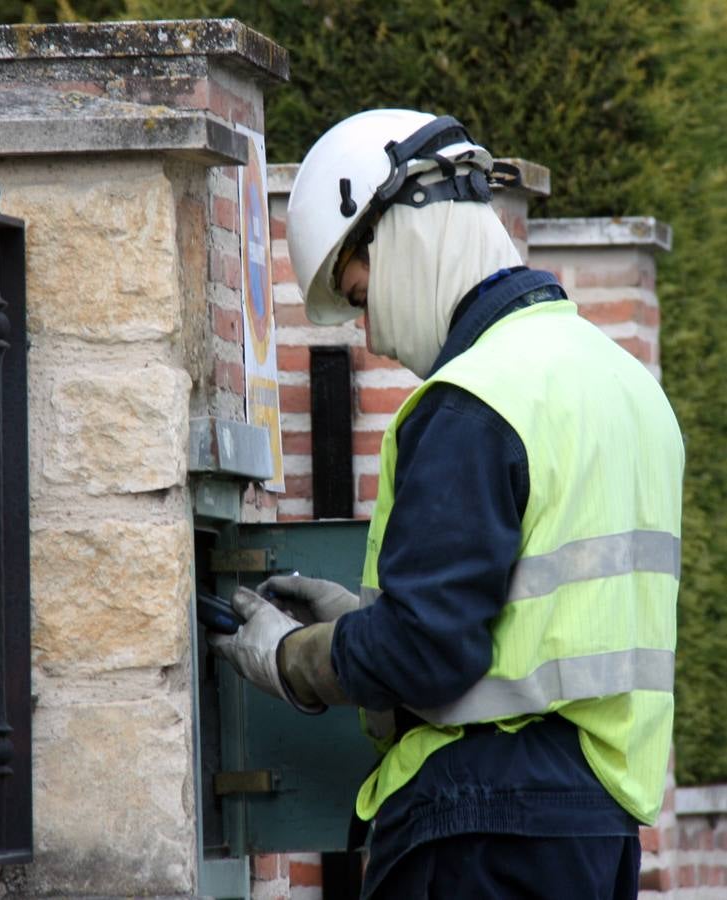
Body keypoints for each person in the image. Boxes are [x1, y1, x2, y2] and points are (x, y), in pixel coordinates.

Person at [208, 110, 684, 899]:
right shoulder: (625, 384)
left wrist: (299, 658)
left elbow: (427, 652)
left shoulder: (472, 399)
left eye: (360, 297)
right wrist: (365, 615)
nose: (372, 336)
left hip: (480, 827)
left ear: (397, 235)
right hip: (595, 827)